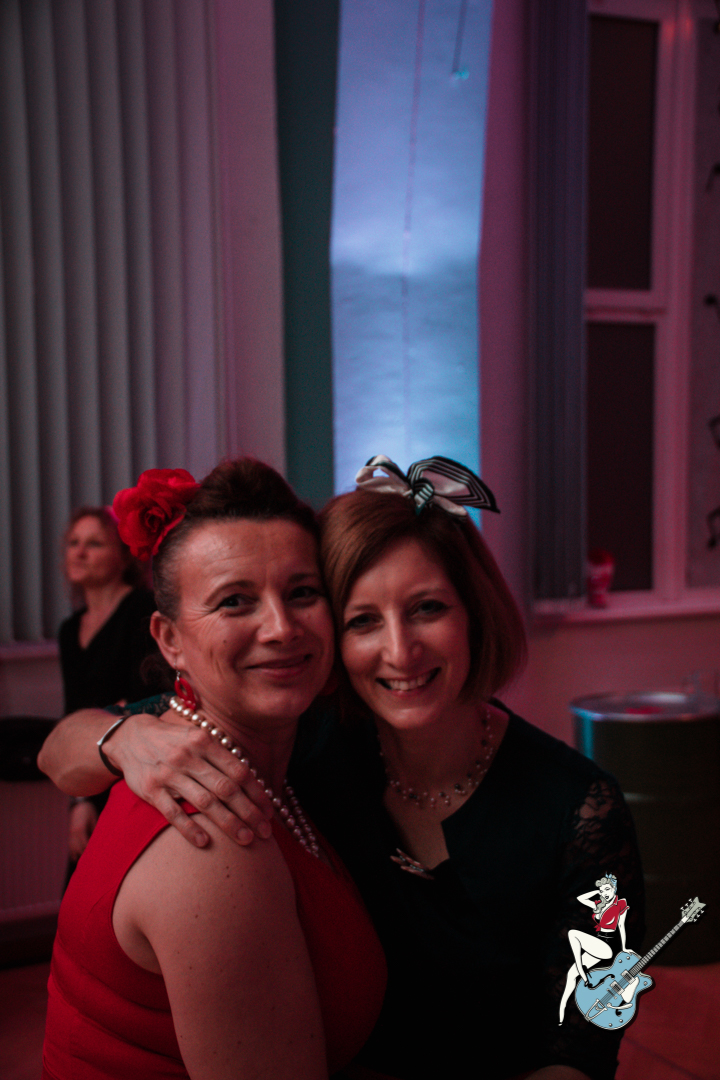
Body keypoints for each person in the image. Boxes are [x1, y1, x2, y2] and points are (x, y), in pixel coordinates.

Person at [39, 455, 644, 1080]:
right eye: (362, 621)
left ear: (475, 611)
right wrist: (123, 736)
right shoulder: (310, 737)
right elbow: (59, 748)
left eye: (427, 608)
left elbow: (588, 1042)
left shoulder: (579, 806)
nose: (400, 651)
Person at [41, 462, 387, 1080]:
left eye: (302, 593)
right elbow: (58, 749)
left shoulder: (278, 752)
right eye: (235, 601)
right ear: (170, 640)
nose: (281, 628)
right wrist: (118, 735)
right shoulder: (211, 833)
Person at [59, 506, 163, 869]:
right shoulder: (70, 629)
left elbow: (144, 704)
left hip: (134, 770)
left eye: (94, 544)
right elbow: (72, 718)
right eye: (73, 543)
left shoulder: (142, 608)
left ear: (123, 556)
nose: (79, 553)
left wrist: (101, 718)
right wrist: (79, 802)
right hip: (89, 773)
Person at [558, 876, 629, 1025]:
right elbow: (581, 898)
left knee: (573, 934)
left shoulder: (620, 904)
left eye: (607, 889)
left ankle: (581, 969)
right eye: (602, 891)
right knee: (571, 974)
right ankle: (562, 1011)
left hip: (607, 945)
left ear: (614, 889)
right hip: (597, 945)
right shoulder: (600, 905)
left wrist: (624, 948)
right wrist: (597, 891)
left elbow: (621, 927)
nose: (605, 893)